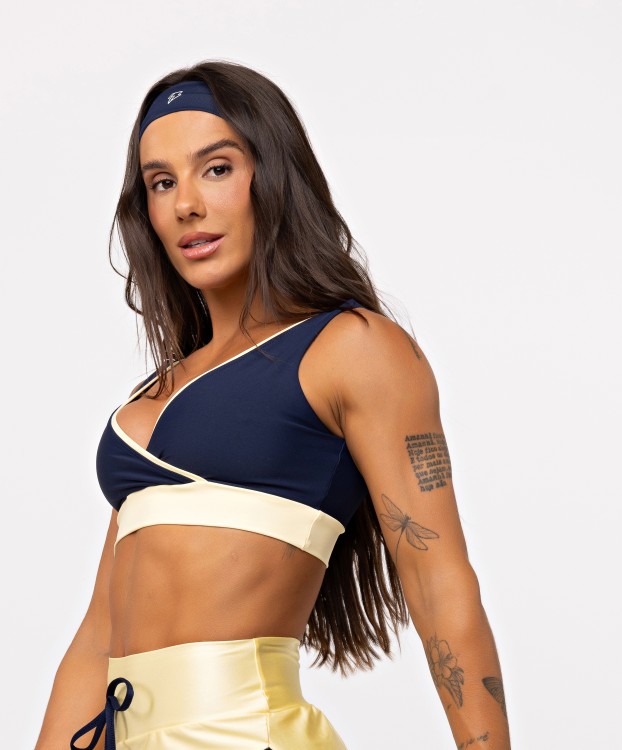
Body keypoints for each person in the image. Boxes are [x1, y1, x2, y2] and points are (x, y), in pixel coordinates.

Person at [34, 61, 511, 750]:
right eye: (161, 182)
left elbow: (437, 579)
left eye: (216, 169)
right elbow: (98, 638)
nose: (186, 204)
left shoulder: (353, 348)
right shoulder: (160, 391)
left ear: (274, 176)